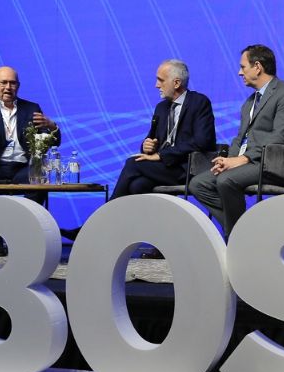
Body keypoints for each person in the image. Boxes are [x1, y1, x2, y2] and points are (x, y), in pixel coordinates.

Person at [61, 59, 216, 247]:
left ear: (176, 83)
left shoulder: (199, 102)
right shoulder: (161, 107)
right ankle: (154, 242)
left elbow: (203, 141)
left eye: (160, 80)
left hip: (186, 168)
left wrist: (162, 156)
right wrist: (147, 146)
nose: (156, 85)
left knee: (132, 164)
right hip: (164, 168)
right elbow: (151, 139)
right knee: (137, 186)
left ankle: (93, 227)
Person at [189, 44, 284, 238]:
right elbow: (240, 138)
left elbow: (282, 136)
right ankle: (243, 232)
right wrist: (227, 160)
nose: (239, 72)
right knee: (198, 184)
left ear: (257, 67)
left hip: (274, 164)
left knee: (227, 180)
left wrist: (242, 160)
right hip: (249, 162)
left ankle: (236, 236)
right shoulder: (250, 102)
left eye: (243, 67)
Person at [0, 66, 60, 255]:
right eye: (3, 83)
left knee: (37, 181)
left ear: (18, 86)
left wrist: (52, 126)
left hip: (22, 166)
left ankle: (26, 236)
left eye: (12, 83)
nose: (8, 87)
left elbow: (51, 143)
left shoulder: (31, 108)